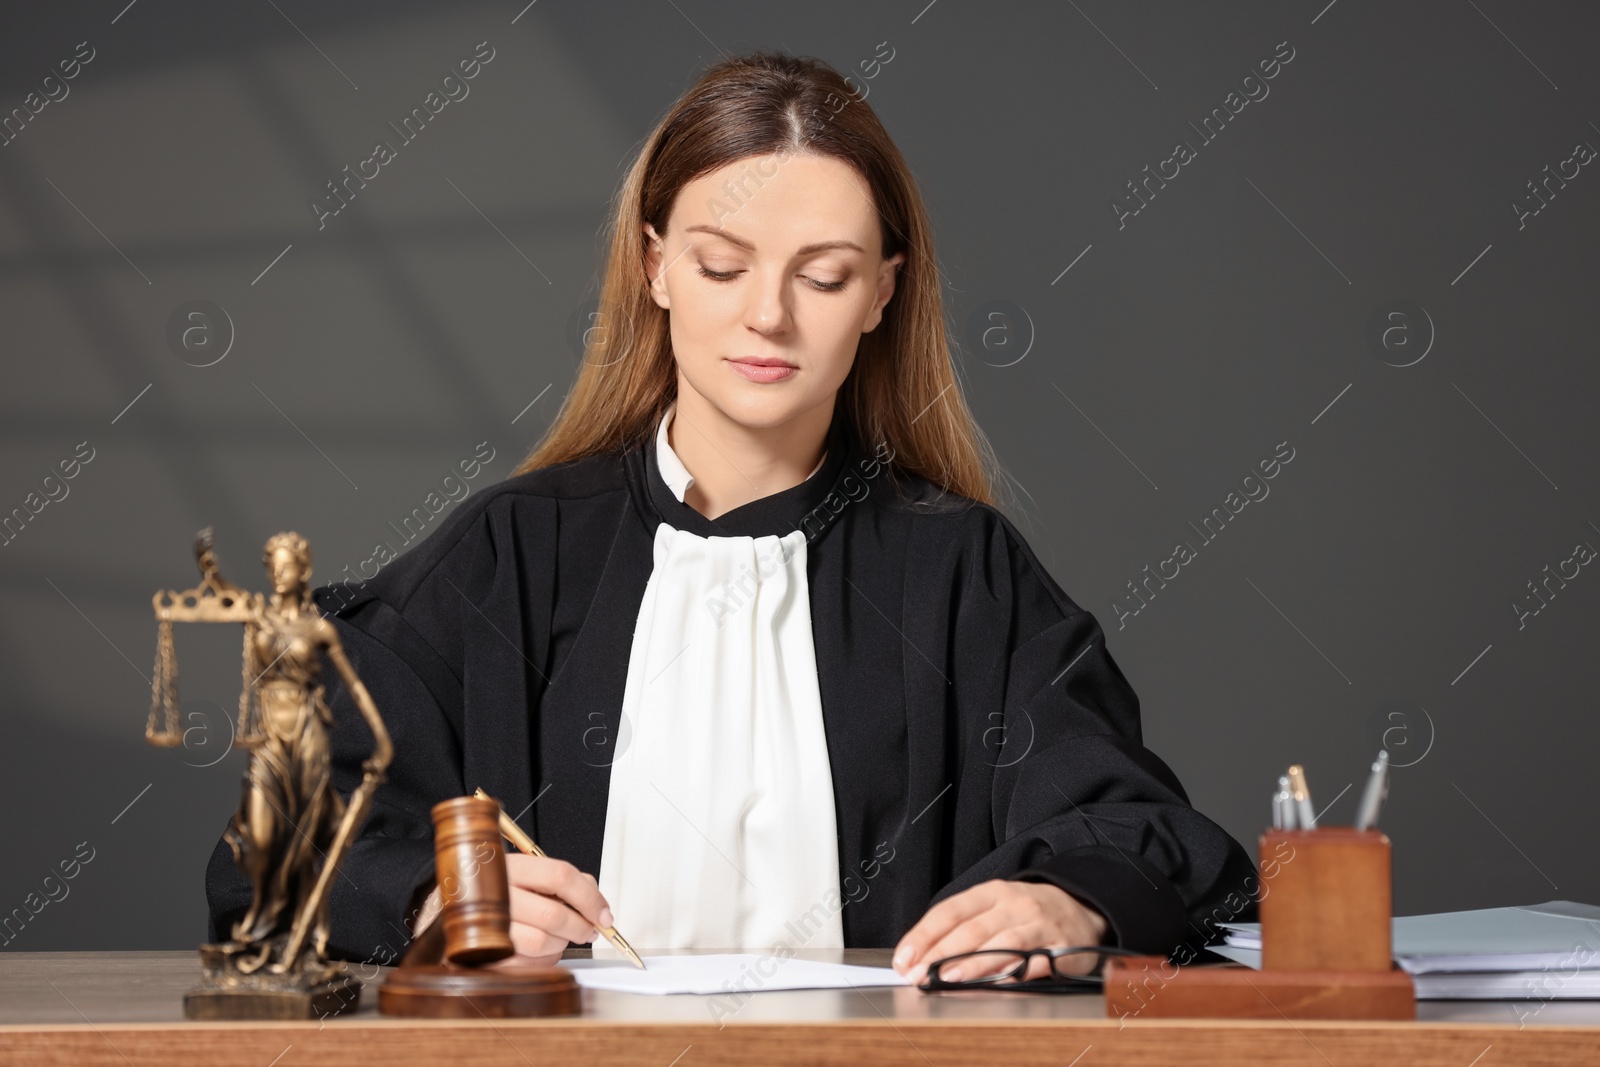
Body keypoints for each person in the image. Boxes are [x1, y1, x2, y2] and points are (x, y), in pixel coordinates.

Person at [206, 49, 1255, 987]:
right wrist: (435, 902)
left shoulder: (959, 571)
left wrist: (1069, 901)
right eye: (721, 264)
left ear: (883, 293)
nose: (769, 314)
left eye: (826, 275)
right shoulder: (508, 556)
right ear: (655, 264)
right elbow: (281, 837)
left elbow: (1144, 829)